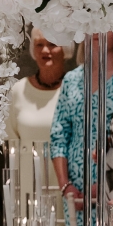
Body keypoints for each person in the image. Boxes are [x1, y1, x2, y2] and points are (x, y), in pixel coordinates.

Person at [51, 32, 113, 226]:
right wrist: (67, 187)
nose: (97, 31)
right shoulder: (72, 80)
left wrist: (104, 188)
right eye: (91, 22)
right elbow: (58, 135)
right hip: (75, 194)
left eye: (106, 25)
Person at [7, 28, 69, 194]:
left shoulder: (76, 89)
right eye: (39, 44)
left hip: (67, 184)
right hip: (28, 186)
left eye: (52, 44)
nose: (45, 50)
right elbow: (10, 143)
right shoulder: (17, 91)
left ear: (66, 49)